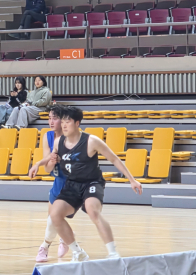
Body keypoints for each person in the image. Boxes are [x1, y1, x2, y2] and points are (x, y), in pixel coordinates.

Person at [46, 107, 143, 262]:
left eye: (68, 122)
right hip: (72, 184)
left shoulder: (91, 141)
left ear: (77, 123)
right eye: (62, 122)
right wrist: (40, 164)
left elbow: (114, 159)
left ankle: (113, 253)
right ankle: (78, 252)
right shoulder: (58, 142)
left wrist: (132, 179)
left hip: (91, 182)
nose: (63, 125)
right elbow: (49, 163)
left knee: (92, 210)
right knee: (55, 214)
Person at [28, 105, 71, 263]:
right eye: (49, 118)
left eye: (55, 118)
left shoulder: (71, 136)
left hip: (73, 181)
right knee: (52, 217)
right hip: (58, 179)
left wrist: (61, 159)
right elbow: (47, 169)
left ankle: (45, 246)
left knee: (55, 216)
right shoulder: (47, 136)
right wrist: (49, 162)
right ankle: (64, 239)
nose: (51, 121)